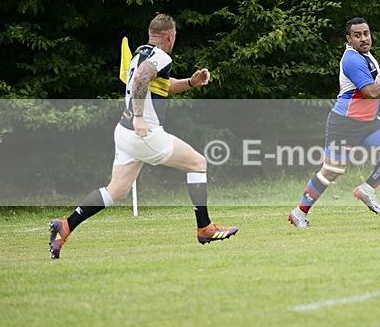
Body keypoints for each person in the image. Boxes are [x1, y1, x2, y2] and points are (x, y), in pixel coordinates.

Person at [48, 13, 238, 258]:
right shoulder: (160, 56)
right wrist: (139, 117)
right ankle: (205, 228)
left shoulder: (141, 54)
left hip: (124, 132)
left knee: (116, 191)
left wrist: (191, 82)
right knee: (198, 163)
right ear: (170, 36)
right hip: (143, 131)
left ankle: (65, 225)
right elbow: (141, 79)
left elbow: (162, 85)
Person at [288, 17, 380, 227]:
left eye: (366, 33)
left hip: (368, 122)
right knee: (331, 171)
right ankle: (299, 213)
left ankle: (367, 189)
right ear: (349, 39)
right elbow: (371, 92)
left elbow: (372, 82)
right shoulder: (352, 59)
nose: (364, 38)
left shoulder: (365, 55)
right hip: (345, 124)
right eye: (357, 35)